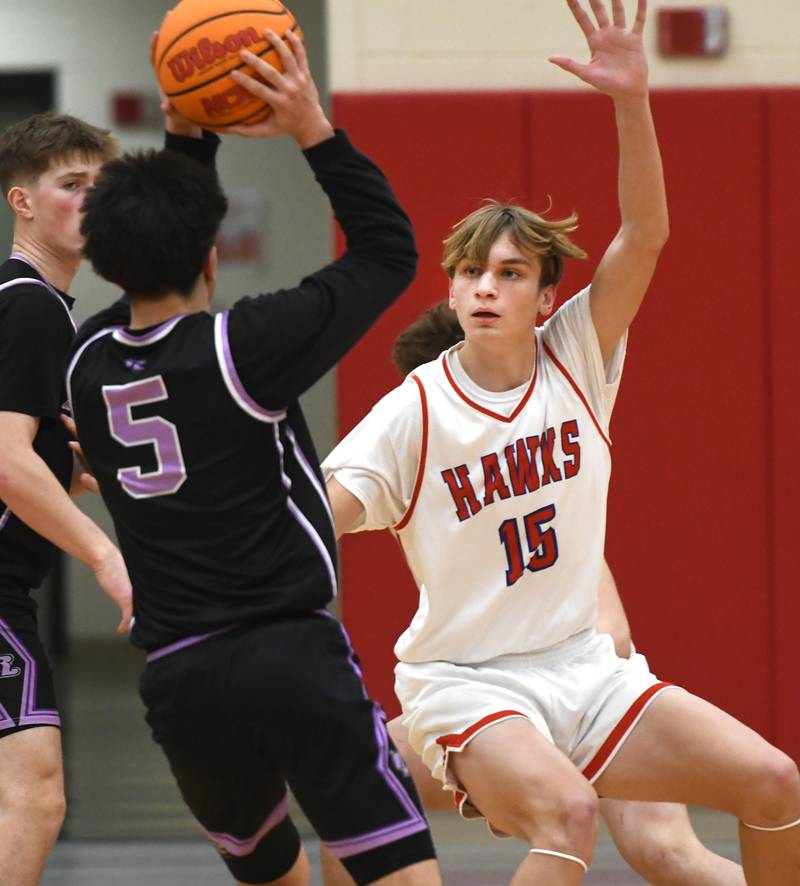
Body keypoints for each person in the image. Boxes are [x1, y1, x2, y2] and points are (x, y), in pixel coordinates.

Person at [322, 1, 800, 883]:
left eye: (509, 274)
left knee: (775, 781)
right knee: (570, 815)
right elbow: (317, 521)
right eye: (471, 271)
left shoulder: (577, 356)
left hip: (583, 668)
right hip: (468, 680)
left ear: (547, 299)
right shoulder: (415, 409)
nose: (486, 288)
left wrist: (632, 97)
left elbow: (645, 233)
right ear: (453, 288)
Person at [66, 28, 441, 886]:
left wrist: (190, 142)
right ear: (211, 252)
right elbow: (389, 251)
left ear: (107, 257)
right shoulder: (245, 349)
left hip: (181, 681)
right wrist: (314, 128)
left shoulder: (86, 361)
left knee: (275, 876)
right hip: (289, 655)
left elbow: (167, 245)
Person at [321, 299, 745, 886]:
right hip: (493, 706)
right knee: (357, 795)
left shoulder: (540, 481)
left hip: (585, 701)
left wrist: (528, 742)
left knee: (668, 852)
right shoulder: (429, 478)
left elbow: (613, 633)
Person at [0, 112, 133, 885]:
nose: (90, 200)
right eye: (70, 185)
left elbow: (24, 455)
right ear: (23, 201)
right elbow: (7, 462)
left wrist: (72, 467)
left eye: (100, 185)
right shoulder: (31, 306)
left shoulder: (37, 304)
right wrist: (104, 553)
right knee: (38, 793)